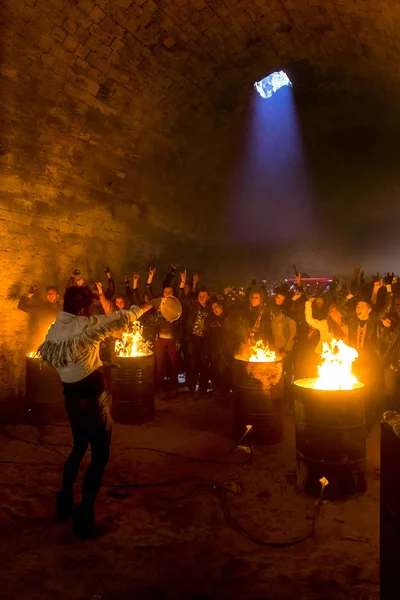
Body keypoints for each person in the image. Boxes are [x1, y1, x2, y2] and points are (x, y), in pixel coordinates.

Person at [37, 285, 153, 538]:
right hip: (92, 399)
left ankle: (64, 501)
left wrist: (96, 360)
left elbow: (68, 355)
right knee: (100, 454)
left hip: (71, 397)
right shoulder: (84, 326)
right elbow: (121, 317)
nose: (90, 313)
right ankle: (84, 514)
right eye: (88, 308)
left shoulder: (56, 329)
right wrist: (148, 304)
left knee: (79, 445)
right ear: (81, 308)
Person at [183, 283, 210, 396]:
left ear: (208, 297)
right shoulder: (193, 307)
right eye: (200, 296)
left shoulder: (211, 309)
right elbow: (184, 299)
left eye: (204, 296)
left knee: (204, 364)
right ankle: (191, 387)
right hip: (193, 339)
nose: (201, 298)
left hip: (205, 341)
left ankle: (203, 389)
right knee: (193, 363)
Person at [18, 284, 62, 351]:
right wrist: (31, 293)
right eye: (48, 294)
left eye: (52, 293)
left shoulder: (62, 310)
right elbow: (21, 306)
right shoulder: (41, 309)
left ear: (57, 295)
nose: (50, 295)